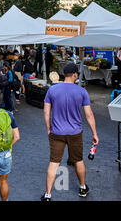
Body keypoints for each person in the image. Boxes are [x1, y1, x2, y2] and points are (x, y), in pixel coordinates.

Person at [41, 63, 99, 201]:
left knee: (53, 163)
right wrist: (94, 133)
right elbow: (89, 114)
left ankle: (48, 195)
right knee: (78, 160)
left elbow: (46, 111)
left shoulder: (52, 90)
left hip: (57, 132)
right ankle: (83, 188)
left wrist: (48, 127)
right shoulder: (82, 91)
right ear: (75, 75)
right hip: (75, 133)